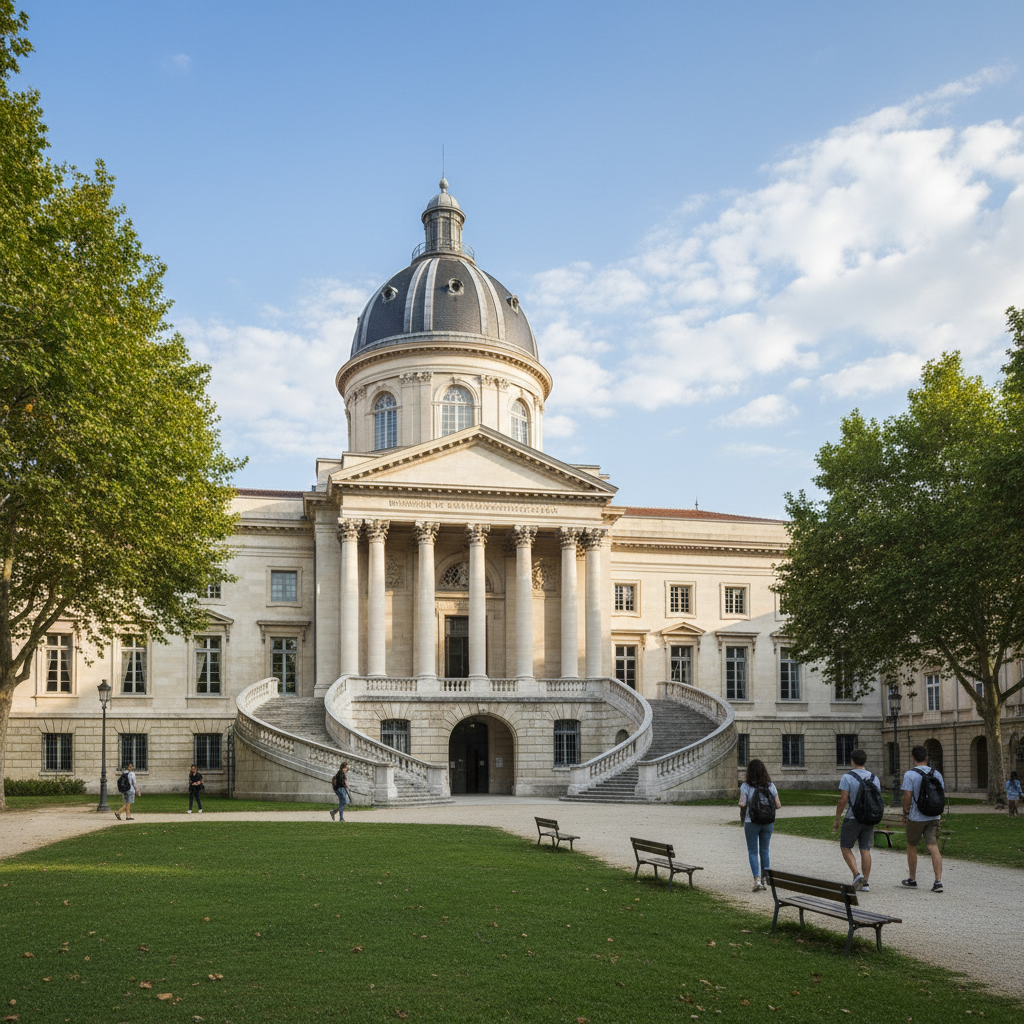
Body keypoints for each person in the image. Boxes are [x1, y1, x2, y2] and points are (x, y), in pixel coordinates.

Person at [833, 749, 879, 892]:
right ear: (865, 761)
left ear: (852, 761)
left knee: (845, 847)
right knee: (865, 849)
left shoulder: (847, 777)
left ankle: (857, 875)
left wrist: (837, 818)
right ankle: (865, 882)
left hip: (853, 817)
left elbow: (843, 799)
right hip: (869, 818)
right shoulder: (874, 778)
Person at [901, 744, 944, 892]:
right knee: (933, 846)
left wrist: (905, 813)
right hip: (933, 814)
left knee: (911, 845)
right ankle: (938, 881)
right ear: (927, 757)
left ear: (913, 758)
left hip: (917, 816)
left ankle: (912, 878)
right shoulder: (937, 774)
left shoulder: (910, 775)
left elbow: (907, 796)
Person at [738, 758, 782, 892]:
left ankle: (757, 880)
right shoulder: (771, 786)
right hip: (768, 821)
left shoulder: (746, 786)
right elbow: (778, 805)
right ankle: (765, 878)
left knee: (753, 851)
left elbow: (742, 804)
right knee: (765, 850)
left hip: (752, 821)